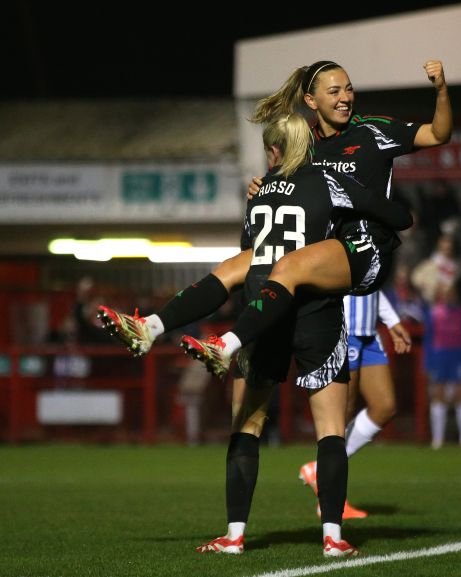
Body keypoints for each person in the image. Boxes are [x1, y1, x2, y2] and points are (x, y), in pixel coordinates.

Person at [98, 114, 413, 557]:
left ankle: (234, 535)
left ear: (275, 151)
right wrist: (358, 218)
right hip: (314, 313)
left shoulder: (260, 190)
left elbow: (252, 250)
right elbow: (399, 216)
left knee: (246, 427)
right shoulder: (327, 182)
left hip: (259, 313)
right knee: (329, 431)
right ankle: (333, 538)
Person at [178, 58, 452, 378]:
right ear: (312, 101)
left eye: (348, 89)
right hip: (317, 259)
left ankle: (229, 344)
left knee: (287, 270)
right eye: (334, 91)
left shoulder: (372, 131)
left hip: (364, 251)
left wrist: (442, 90)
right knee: (238, 266)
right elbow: (283, 190)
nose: (345, 97)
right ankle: (154, 326)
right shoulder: (302, 146)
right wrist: (262, 187)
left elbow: (438, 134)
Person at [297, 290, 411, 518]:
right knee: (340, 413)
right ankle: (329, 501)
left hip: (368, 332)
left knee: (385, 406)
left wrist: (392, 320)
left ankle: (318, 471)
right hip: (344, 327)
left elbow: (371, 280)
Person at [423, 281, 461, 449]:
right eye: (445, 293)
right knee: (439, 396)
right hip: (440, 357)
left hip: (458, 357)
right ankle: (437, 440)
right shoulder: (434, 314)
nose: (448, 296)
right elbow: (428, 340)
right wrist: (428, 363)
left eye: (451, 292)